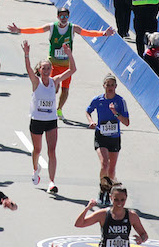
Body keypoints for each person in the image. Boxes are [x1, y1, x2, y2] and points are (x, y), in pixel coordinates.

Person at [7, 7, 113, 119]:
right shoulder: (52, 27)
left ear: (68, 17)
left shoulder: (72, 28)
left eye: (66, 16)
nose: (64, 18)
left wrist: (104, 33)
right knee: (53, 88)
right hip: (53, 65)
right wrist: (19, 30)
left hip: (67, 66)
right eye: (61, 16)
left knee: (65, 89)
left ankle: (59, 109)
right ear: (58, 17)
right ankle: (47, 105)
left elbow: (87, 33)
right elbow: (36, 30)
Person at [22, 39, 76, 194]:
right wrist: (27, 55)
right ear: (39, 70)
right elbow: (28, 70)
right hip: (37, 121)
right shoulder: (36, 82)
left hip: (51, 121)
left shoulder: (55, 81)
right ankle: (35, 169)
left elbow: (73, 69)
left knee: (52, 151)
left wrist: (69, 54)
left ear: (51, 70)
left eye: (48, 68)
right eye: (43, 68)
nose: (46, 71)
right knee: (37, 149)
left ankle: (52, 182)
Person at [85, 74, 130, 207]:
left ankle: (108, 193)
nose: (110, 87)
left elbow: (126, 122)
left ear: (116, 86)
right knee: (104, 163)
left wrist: (115, 113)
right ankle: (102, 190)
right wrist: (91, 121)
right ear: (103, 86)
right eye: (107, 85)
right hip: (101, 136)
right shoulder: (98, 100)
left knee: (111, 170)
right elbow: (88, 111)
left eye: (112, 85)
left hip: (114, 138)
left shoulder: (120, 101)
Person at [73, 184, 148, 246]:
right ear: (110, 197)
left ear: (126, 198)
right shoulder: (103, 214)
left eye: (122, 200)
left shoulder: (132, 216)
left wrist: (141, 239)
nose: (119, 203)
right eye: (116, 200)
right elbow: (79, 224)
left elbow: (144, 234)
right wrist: (87, 208)